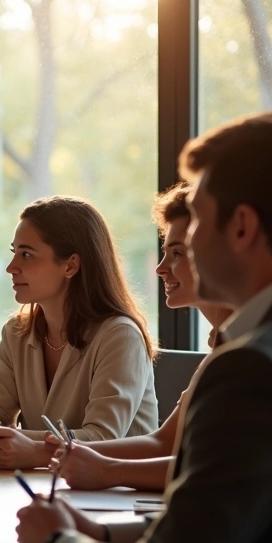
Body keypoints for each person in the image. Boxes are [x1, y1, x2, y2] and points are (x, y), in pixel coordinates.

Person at [15, 111, 272, 543]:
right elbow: (239, 529)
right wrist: (102, 533)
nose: (186, 247)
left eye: (196, 219)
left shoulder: (255, 370)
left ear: (242, 226)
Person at [0, 196, 158, 470]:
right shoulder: (16, 332)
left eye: (26, 255)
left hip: (118, 496)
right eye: (14, 252)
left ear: (70, 266)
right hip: (45, 486)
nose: (11, 267)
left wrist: (5, 437)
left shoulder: (120, 336)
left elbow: (102, 438)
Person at [50, 183, 232, 492]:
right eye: (165, 253)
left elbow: (221, 470)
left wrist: (108, 471)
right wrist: (61, 452)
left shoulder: (248, 345)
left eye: (177, 253)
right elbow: (164, 442)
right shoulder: (224, 342)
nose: (161, 268)